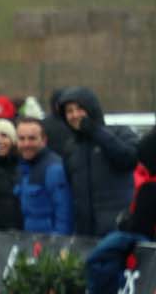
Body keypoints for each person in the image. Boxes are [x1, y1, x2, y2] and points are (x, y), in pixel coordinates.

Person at [55, 87, 136, 236]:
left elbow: (129, 159)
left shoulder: (120, 132)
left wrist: (95, 131)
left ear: (91, 109)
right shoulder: (70, 147)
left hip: (118, 229)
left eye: (80, 109)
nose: (75, 115)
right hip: (86, 232)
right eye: (69, 111)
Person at [13, 117, 73, 235]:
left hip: (48, 246)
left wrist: (57, 246)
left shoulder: (55, 169)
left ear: (44, 140)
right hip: (29, 241)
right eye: (22, 139)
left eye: (32, 138)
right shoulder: (21, 167)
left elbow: (65, 215)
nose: (26, 144)